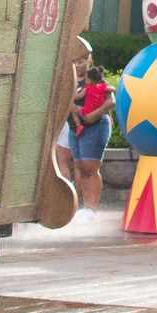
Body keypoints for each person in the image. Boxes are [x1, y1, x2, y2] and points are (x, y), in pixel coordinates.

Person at [56, 65, 113, 213]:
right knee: (80, 167)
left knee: (90, 168)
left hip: (94, 126)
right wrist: (72, 108)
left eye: (83, 60)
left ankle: (91, 209)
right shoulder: (68, 79)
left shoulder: (96, 81)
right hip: (75, 127)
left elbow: (111, 101)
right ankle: (81, 207)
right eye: (77, 61)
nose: (80, 64)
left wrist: (95, 114)